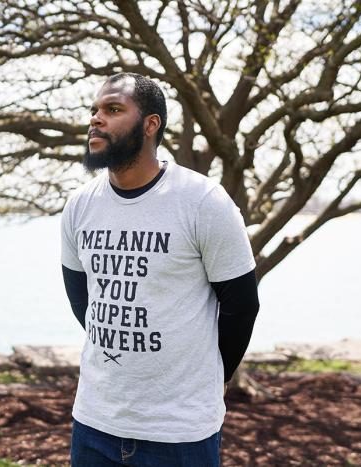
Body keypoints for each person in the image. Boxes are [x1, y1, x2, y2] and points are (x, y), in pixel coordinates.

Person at [60, 72, 260, 466]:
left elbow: (241, 306)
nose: (96, 120)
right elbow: (82, 298)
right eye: (94, 110)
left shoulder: (202, 201)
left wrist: (211, 377)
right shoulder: (80, 205)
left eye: (113, 109)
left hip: (179, 432)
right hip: (94, 422)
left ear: (151, 124)